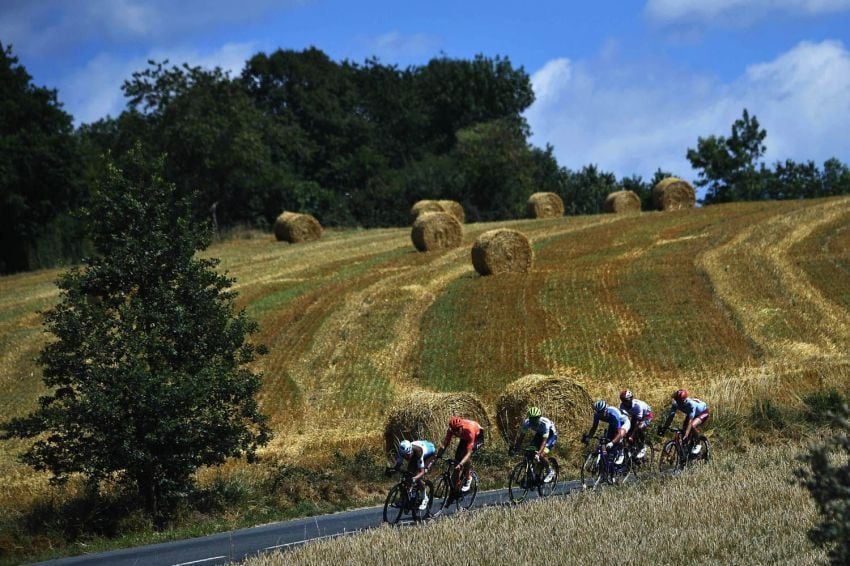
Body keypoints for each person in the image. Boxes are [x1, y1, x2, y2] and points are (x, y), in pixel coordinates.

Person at [435, 416, 484, 492]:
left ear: (461, 427)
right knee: (456, 462)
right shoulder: (451, 430)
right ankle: (457, 488)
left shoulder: (469, 431)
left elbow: (468, 453)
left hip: (477, 436)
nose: (457, 432)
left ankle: (468, 478)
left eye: (458, 429)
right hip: (464, 437)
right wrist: (437, 456)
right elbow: (444, 444)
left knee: (465, 454)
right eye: (455, 430)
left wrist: (461, 464)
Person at [511, 406, 557, 483]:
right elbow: (521, 437)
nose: (533, 421)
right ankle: (534, 474)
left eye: (535, 419)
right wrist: (516, 447)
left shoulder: (545, 423)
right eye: (531, 419)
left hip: (551, 436)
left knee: (542, 455)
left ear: (539, 417)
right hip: (539, 434)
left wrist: (539, 453)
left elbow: (544, 441)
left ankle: (550, 471)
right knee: (529, 452)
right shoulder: (527, 423)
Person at [387, 439, 436, 510]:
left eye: (407, 455)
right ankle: (408, 497)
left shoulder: (418, 451)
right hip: (416, 454)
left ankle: (425, 498)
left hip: (429, 454)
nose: (406, 457)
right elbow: (398, 465)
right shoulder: (402, 451)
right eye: (404, 456)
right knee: (409, 474)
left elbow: (421, 472)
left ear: (411, 451)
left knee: (418, 477)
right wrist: (392, 471)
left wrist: (415, 478)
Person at [658, 389, 710, 454]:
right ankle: (686, 452)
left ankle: (698, 443)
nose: (678, 403)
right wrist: (665, 428)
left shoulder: (691, 404)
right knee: (684, 429)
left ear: (684, 400)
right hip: (691, 413)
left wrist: (686, 434)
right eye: (676, 400)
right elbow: (670, 417)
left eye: (679, 401)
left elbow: (690, 421)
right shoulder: (676, 403)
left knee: (692, 426)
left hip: (703, 412)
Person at [582, 399, 631, 465]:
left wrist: (612, 443)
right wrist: (589, 437)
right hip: (612, 423)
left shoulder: (613, 414)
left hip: (624, 422)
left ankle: (621, 453)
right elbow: (594, 427)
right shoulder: (597, 414)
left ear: (606, 410)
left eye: (601, 412)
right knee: (606, 441)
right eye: (598, 412)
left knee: (618, 438)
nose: (599, 414)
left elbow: (619, 433)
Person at [618, 389, 653, 459]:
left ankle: (643, 445)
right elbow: (623, 420)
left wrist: (632, 435)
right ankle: (633, 448)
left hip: (646, 416)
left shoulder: (637, 406)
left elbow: (638, 422)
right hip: (635, 415)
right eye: (623, 401)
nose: (624, 403)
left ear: (631, 399)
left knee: (639, 427)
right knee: (629, 431)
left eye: (626, 401)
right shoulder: (622, 406)